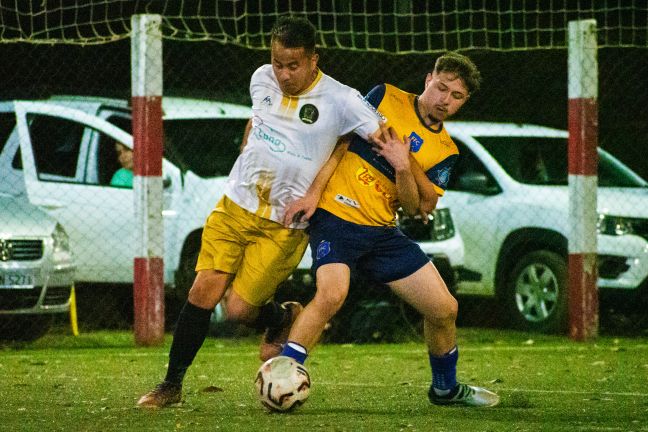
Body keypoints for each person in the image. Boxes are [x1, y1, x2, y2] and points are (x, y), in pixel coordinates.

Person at [136, 16, 381, 408]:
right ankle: (171, 385)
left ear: (314, 59)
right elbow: (258, 119)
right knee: (204, 290)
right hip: (236, 205)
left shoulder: (342, 100)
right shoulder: (261, 78)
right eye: (278, 63)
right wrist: (248, 151)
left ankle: (280, 319)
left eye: (293, 65)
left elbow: (375, 139)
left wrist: (323, 190)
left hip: (284, 225)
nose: (283, 74)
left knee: (237, 310)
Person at [279, 52, 500, 407]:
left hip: (382, 233)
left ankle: (445, 388)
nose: (445, 100)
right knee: (332, 294)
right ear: (429, 79)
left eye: (456, 96)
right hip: (337, 217)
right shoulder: (384, 97)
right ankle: (282, 376)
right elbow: (342, 141)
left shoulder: (446, 151)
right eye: (441, 88)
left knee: (444, 309)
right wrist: (314, 193)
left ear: (465, 101)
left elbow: (415, 208)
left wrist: (402, 166)